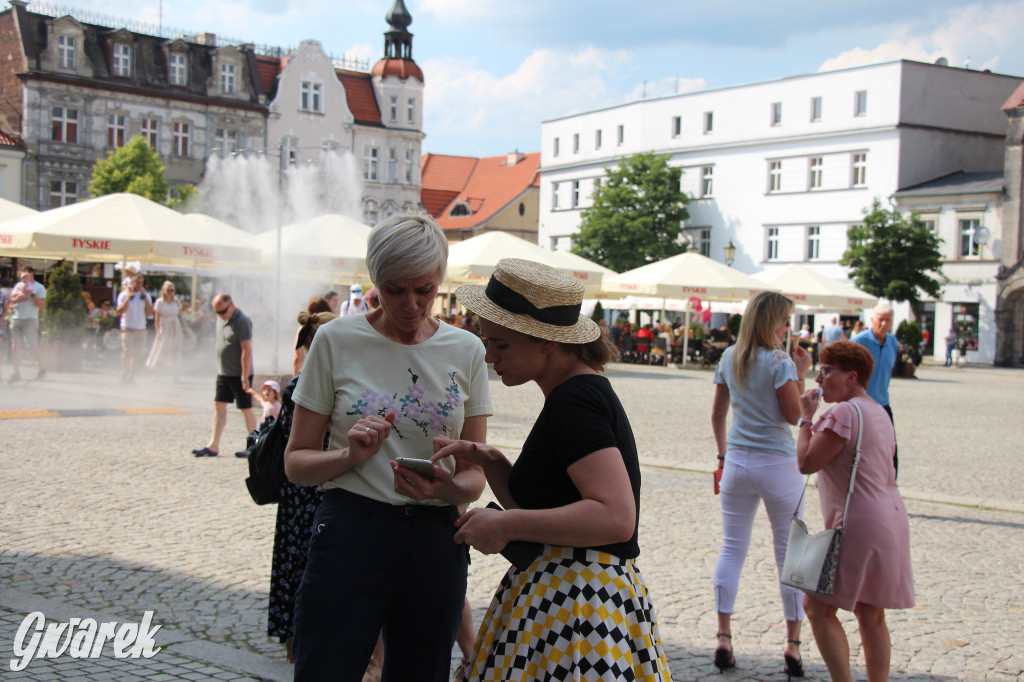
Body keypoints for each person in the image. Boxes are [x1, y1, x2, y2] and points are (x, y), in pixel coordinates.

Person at [432, 257, 672, 681]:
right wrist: (492, 462)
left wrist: (506, 526)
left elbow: (615, 517)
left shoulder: (574, 401)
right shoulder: (573, 390)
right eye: (487, 342)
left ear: (547, 341)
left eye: (501, 345)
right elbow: (553, 510)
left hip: (579, 606)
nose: (489, 357)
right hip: (571, 596)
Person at [284, 213, 492, 681]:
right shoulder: (336, 340)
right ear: (373, 281)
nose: (412, 303)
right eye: (395, 289)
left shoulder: (467, 350)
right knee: (326, 669)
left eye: (425, 288)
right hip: (351, 530)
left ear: (441, 280)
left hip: (436, 537)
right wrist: (348, 456)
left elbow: (476, 474)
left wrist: (447, 489)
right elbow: (296, 463)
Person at [796, 341, 914, 682]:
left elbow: (806, 462)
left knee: (816, 608)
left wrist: (806, 418)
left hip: (858, 521)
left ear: (851, 377)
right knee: (871, 613)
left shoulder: (843, 413)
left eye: (826, 370)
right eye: (819, 369)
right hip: (890, 517)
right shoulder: (877, 410)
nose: (819, 378)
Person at [709, 290, 812, 676]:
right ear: (772, 322)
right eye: (785, 321)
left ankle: (723, 635)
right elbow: (792, 415)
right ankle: (793, 643)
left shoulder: (729, 356)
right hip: (779, 464)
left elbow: (718, 413)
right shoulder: (779, 361)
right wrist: (802, 375)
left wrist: (721, 455)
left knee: (732, 547)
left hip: (737, 460)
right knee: (789, 554)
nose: (789, 328)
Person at [268, 311, 338, 665]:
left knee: (296, 564)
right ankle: (300, 650)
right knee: (305, 566)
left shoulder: (301, 382)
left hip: (301, 492)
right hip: (309, 489)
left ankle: (296, 646)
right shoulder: (306, 385)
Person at [191, 294, 256, 458]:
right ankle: (213, 445)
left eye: (223, 311)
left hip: (239, 373)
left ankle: (254, 445)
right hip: (224, 372)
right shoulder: (222, 318)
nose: (221, 315)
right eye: (217, 312)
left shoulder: (242, 321)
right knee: (219, 406)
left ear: (232, 304)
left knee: (245, 408)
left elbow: (246, 351)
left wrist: (245, 376)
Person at [851, 303, 899, 477]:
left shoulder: (892, 342)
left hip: (883, 403)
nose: (884, 324)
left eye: (888, 320)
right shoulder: (859, 341)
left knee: (890, 447)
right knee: (860, 446)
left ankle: (889, 482)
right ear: (872, 319)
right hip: (861, 404)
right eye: (881, 320)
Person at [7, 266, 47, 382]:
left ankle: (43, 368)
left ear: (32, 274)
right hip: (17, 317)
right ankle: (16, 373)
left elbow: (41, 306)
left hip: (30, 318)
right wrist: (20, 297)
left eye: (26, 275)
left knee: (33, 345)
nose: (24, 277)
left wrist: (32, 294)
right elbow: (12, 298)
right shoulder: (18, 285)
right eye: (22, 275)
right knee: (15, 346)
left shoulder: (39, 287)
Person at [116, 273, 154, 384]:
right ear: (132, 282)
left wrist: (146, 299)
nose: (139, 285)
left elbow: (150, 313)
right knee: (127, 351)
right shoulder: (124, 295)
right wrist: (128, 298)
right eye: (137, 282)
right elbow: (120, 310)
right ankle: (124, 372)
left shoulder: (146, 295)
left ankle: (131, 375)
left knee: (138, 353)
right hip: (127, 326)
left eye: (141, 283)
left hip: (141, 327)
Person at [146, 281, 183, 382]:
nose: (170, 292)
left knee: (175, 351)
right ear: (164, 291)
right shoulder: (160, 302)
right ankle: (157, 375)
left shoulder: (176, 301)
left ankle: (175, 376)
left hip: (175, 326)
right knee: (161, 351)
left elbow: (180, 315)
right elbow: (157, 318)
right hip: (165, 326)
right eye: (168, 290)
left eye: (172, 290)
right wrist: (158, 331)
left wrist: (186, 327)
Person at [292, 297, 332, 375]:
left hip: (311, 373)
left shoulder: (304, 328)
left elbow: (298, 357)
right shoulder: (334, 324)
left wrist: (294, 381)